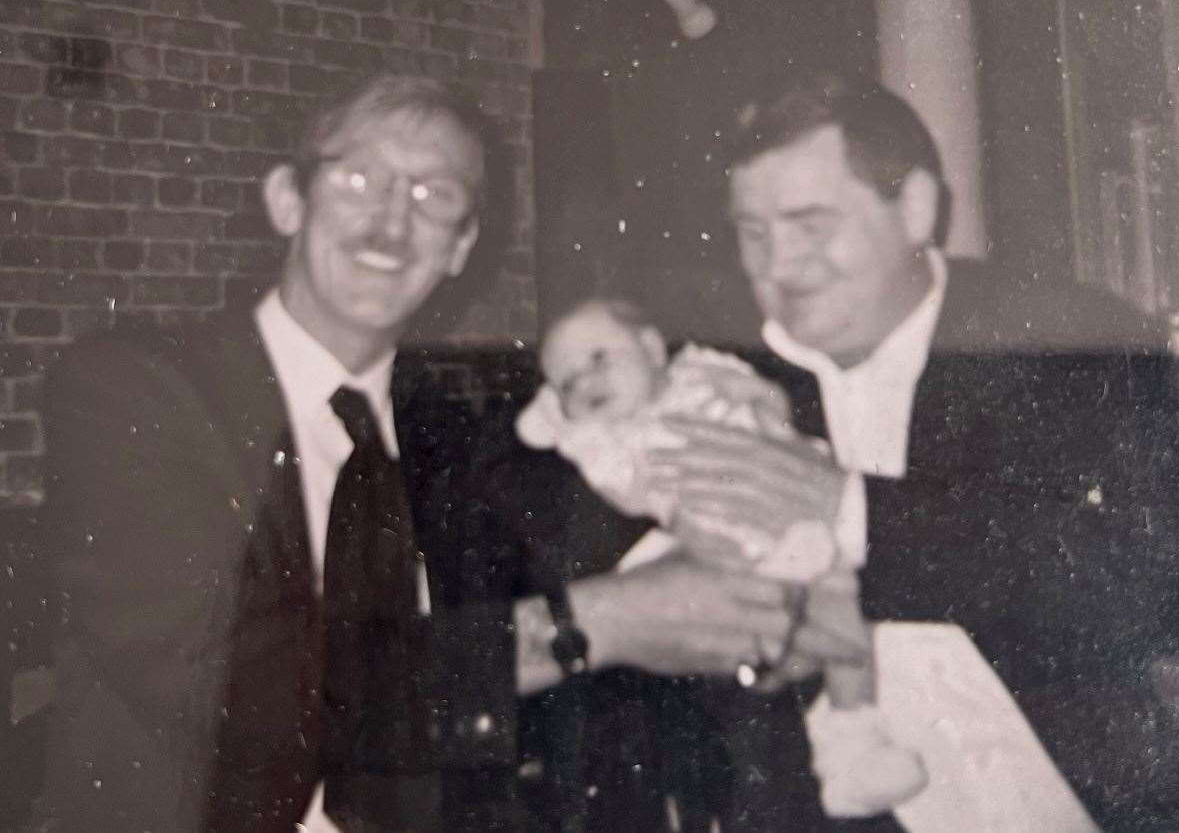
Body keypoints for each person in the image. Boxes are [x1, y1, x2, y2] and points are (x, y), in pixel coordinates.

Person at [34, 74, 864, 832]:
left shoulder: (465, 447)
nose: (391, 222)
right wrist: (593, 626)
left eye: (435, 196)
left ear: (461, 247)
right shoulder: (135, 388)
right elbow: (227, 684)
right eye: (359, 179)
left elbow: (568, 681)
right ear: (288, 200)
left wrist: (756, 623)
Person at [647, 66, 1179, 829]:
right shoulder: (713, 373)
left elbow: (1144, 581)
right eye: (753, 233)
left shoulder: (1058, 338)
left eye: (811, 225)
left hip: (1056, 795)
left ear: (914, 208)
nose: (778, 267)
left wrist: (851, 511)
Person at [514, 297, 927, 823]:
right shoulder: (611, 439)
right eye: (566, 383)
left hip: (796, 516)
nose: (586, 383)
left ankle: (855, 744)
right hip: (718, 548)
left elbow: (771, 404)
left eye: (598, 359)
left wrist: (760, 398)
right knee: (758, 646)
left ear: (651, 348)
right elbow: (627, 491)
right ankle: (834, 755)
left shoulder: (705, 369)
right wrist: (566, 426)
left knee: (844, 624)